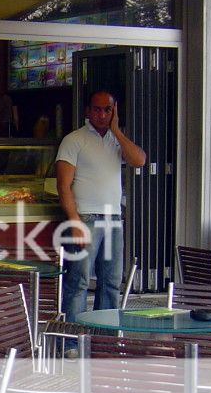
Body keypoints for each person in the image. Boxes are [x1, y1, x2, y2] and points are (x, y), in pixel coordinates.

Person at [56, 91, 146, 357]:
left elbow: (139, 160)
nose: (102, 115)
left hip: (113, 219)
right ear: (87, 111)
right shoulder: (74, 140)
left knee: (110, 282)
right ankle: (71, 342)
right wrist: (74, 222)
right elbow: (63, 186)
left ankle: (104, 341)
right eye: (97, 110)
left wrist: (117, 131)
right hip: (86, 217)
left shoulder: (118, 141)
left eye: (107, 110)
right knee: (79, 282)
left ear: (114, 111)